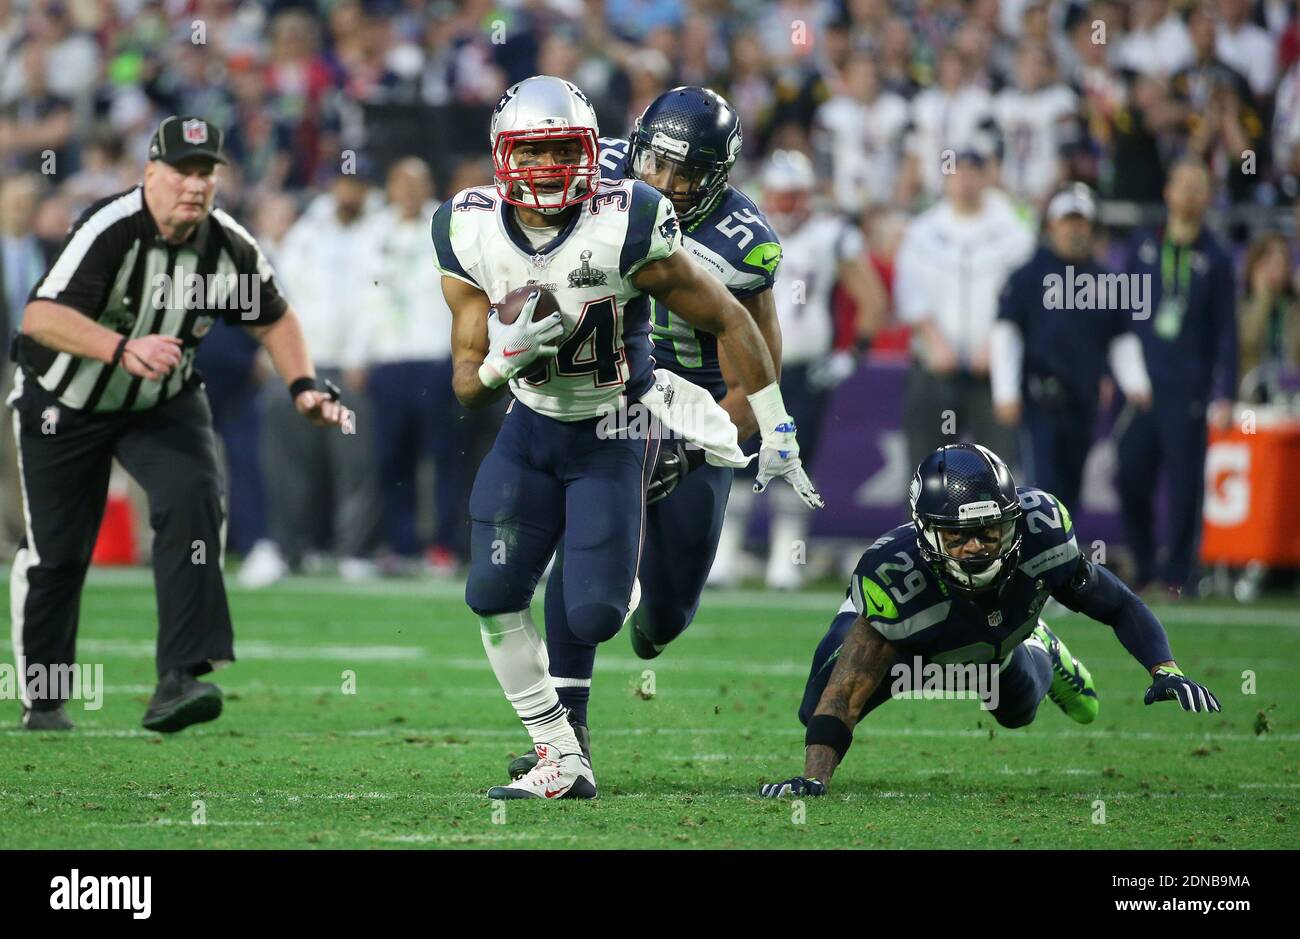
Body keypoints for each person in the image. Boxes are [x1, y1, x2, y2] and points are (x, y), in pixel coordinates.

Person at [434, 76, 821, 800]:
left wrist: (755, 431)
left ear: (721, 177)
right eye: (656, 163)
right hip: (598, 397)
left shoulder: (739, 243)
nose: (667, 183)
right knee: (557, 570)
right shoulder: (589, 175)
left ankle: (650, 617)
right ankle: (565, 738)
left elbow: (747, 359)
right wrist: (503, 356)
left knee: (660, 616)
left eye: (688, 173)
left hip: (693, 408)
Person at [9, 116, 347, 732]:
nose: (195, 185)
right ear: (150, 174)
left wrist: (302, 387)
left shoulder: (226, 245)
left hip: (160, 399)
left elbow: (275, 319)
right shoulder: (110, 229)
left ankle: (179, 677)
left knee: (194, 499)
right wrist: (119, 348)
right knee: (58, 552)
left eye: (206, 172)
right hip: (65, 397)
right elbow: (39, 317)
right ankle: (46, 698)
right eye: (183, 171)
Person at [759, 443, 1221, 798]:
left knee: (1017, 712)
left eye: (990, 530)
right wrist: (813, 780)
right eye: (959, 536)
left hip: (996, 630)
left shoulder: (1041, 534)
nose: (977, 546)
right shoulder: (897, 582)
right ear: (926, 532)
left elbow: (1118, 604)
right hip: (913, 642)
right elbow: (841, 697)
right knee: (816, 708)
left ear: (1014, 519)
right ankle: (1009, 642)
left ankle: (1038, 646)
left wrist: (1165, 668)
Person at [990, 183, 1152, 512]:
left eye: (1081, 223)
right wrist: (1005, 391)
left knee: (1071, 490)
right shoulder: (1028, 276)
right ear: (1052, 226)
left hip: (1084, 398)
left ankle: (1060, 558)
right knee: (1041, 488)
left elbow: (1120, 337)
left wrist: (1136, 382)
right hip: (1041, 397)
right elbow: (1007, 332)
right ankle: (1036, 557)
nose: (1074, 231)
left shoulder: (1106, 281)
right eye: (1067, 222)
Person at [1116, 159, 1237, 596]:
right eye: (1181, 185)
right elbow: (1120, 315)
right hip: (1141, 387)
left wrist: (1226, 392)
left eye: (1198, 187)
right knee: (1130, 475)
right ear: (1167, 192)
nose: (1188, 195)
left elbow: (1228, 329)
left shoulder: (1218, 256)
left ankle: (1178, 576)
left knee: (1186, 485)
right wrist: (1121, 372)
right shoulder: (1142, 246)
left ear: (1207, 198)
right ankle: (1145, 564)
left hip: (1189, 388)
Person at [351, 157, 468, 574]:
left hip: (435, 357)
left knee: (441, 458)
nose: (410, 190)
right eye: (402, 182)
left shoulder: (449, 222)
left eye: (418, 183)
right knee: (390, 457)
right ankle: (400, 544)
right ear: (391, 187)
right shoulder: (374, 231)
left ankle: (443, 546)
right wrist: (358, 354)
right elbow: (364, 296)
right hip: (388, 360)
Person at [894, 145, 1035, 473]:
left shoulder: (1013, 229)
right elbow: (909, 292)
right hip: (934, 368)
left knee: (1000, 474)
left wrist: (993, 346)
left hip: (993, 373)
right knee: (926, 473)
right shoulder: (924, 230)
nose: (965, 182)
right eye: (958, 173)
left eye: (974, 173)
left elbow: (1021, 293)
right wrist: (933, 340)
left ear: (987, 177)